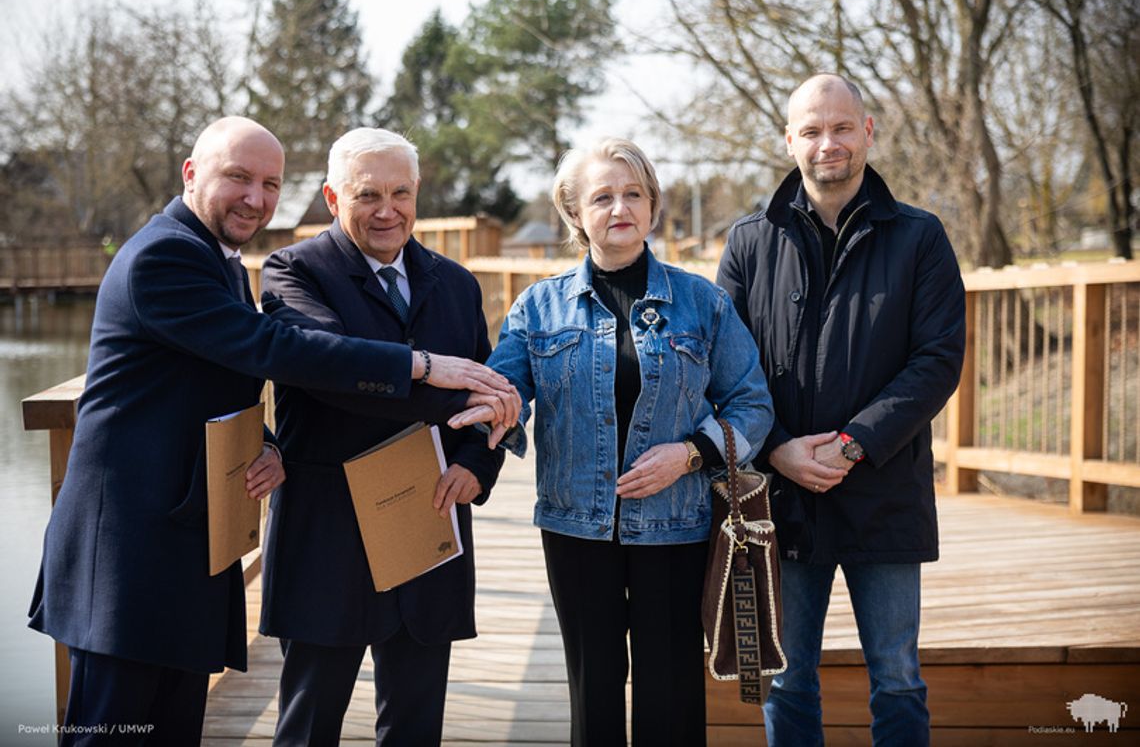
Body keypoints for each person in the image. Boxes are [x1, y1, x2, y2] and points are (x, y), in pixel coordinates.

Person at [27, 116, 518, 746]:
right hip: (133, 552)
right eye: (238, 177)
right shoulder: (173, 256)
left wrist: (264, 440)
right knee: (114, 731)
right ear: (192, 174)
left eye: (268, 184)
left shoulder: (222, 261)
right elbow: (279, 350)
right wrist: (424, 367)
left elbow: (218, 375)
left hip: (213, 538)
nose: (255, 198)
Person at [450, 137, 774, 747]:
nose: (620, 208)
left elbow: (752, 404)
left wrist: (691, 454)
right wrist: (496, 412)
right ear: (575, 213)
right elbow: (504, 391)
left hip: (677, 526)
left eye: (634, 194)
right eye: (602, 197)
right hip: (576, 529)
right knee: (593, 691)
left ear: (652, 205)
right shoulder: (539, 307)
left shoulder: (702, 303)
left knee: (672, 695)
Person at [716, 74, 966, 746]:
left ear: (869, 131)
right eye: (812, 130)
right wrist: (777, 449)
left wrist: (854, 442)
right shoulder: (748, 242)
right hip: (782, 498)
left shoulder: (920, 238)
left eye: (842, 127)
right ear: (789, 140)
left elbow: (938, 359)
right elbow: (723, 367)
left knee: (897, 676)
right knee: (788, 677)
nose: (828, 143)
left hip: (884, 487)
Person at [256, 127, 507, 746]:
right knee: (309, 724)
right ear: (333, 199)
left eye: (401, 193)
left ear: (418, 193)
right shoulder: (294, 271)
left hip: (429, 522)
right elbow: (328, 368)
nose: (387, 210)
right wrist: (431, 371)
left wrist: (477, 464)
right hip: (329, 534)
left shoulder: (456, 283)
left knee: (415, 726)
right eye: (368, 194)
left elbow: (488, 393)